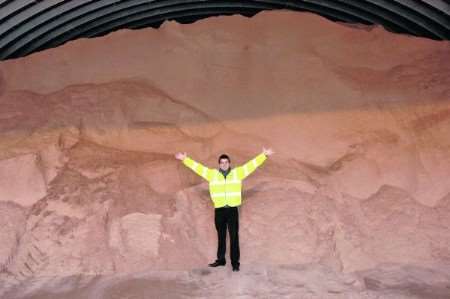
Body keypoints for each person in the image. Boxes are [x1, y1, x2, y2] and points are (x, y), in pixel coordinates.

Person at [175, 147, 274, 272]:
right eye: (222, 162)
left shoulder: (238, 173)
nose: (224, 164)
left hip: (232, 210)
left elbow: (251, 165)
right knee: (221, 236)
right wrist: (185, 159)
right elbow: (198, 168)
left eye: (226, 162)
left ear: (229, 163)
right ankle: (221, 260)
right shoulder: (212, 174)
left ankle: (235, 263)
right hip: (219, 210)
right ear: (219, 164)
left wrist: (263, 155)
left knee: (233, 236)